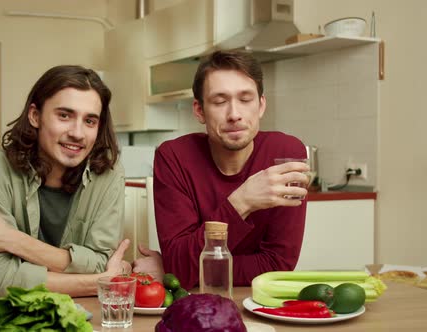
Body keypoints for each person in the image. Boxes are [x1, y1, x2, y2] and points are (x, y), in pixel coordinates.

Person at [133, 51, 310, 290]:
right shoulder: (173, 157)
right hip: (199, 302)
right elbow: (181, 267)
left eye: (245, 99)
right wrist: (241, 202)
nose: (234, 114)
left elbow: (278, 265)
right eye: (219, 101)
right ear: (199, 111)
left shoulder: (285, 153)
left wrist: (180, 267)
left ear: (261, 105)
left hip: (258, 304)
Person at [0, 65, 129, 298]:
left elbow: (101, 260)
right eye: (64, 115)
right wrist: (98, 282)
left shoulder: (109, 174)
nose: (78, 133)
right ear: (35, 116)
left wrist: (11, 239)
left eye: (90, 121)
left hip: (87, 315)